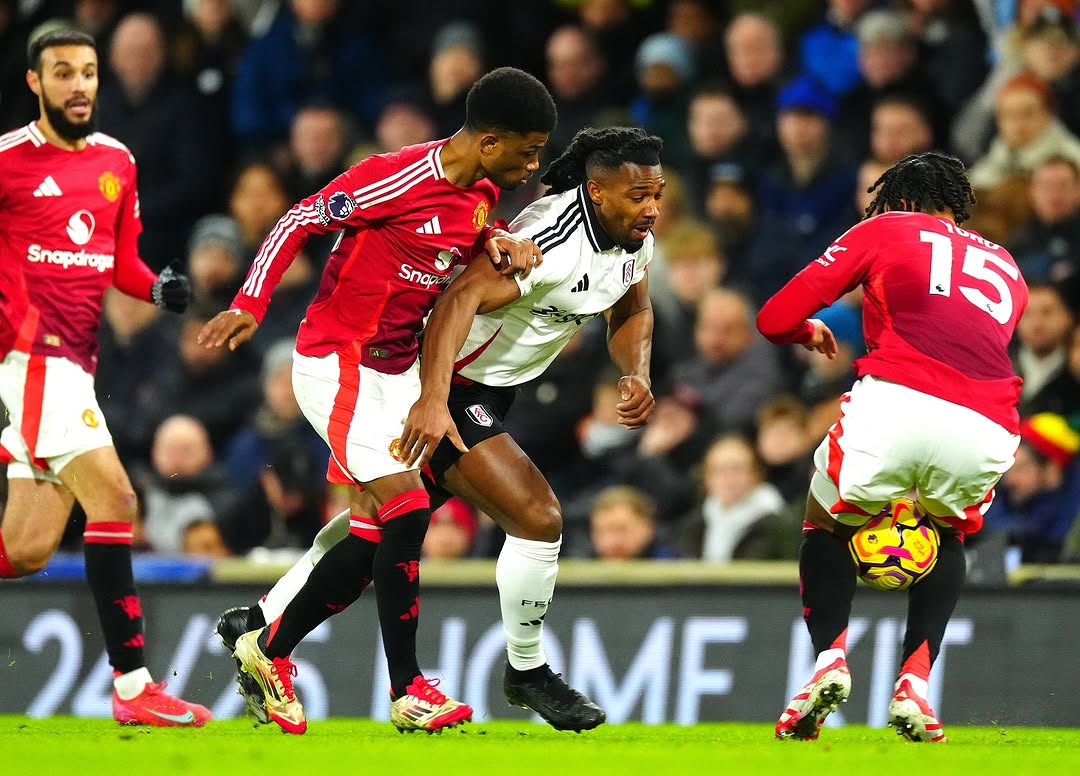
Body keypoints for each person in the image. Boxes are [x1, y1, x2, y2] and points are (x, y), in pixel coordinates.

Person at [215, 126, 662, 734]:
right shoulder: (551, 235)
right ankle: (520, 671)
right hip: (446, 382)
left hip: (495, 390)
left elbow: (632, 306)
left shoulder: (633, 239)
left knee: (377, 528)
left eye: (656, 193)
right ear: (598, 191)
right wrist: (434, 397)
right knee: (536, 516)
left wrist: (634, 371)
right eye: (638, 195)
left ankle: (265, 626)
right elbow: (454, 302)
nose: (652, 207)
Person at [198, 66, 557, 735]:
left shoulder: (479, 193)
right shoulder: (396, 177)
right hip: (338, 362)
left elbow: (459, 233)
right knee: (408, 504)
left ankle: (265, 644)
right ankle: (409, 689)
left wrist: (495, 242)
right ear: (488, 142)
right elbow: (298, 218)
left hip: (397, 375)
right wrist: (251, 299)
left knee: (372, 531)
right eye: (527, 150)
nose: (533, 163)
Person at [756, 151, 1028, 743]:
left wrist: (807, 331)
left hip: (900, 399)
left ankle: (829, 659)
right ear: (957, 205)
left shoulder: (883, 229)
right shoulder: (1008, 265)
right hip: (990, 424)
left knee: (825, 523)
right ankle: (916, 683)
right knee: (948, 532)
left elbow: (774, 317)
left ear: (897, 200)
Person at [0, 29, 207, 726]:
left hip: (76, 367)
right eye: (63, 73)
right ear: (36, 82)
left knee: (26, 549)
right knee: (116, 501)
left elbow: (122, 262)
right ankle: (133, 689)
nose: (79, 85)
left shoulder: (117, 161)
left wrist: (157, 290)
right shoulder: (6, 162)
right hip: (30, 359)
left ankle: (132, 691)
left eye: (87, 72)